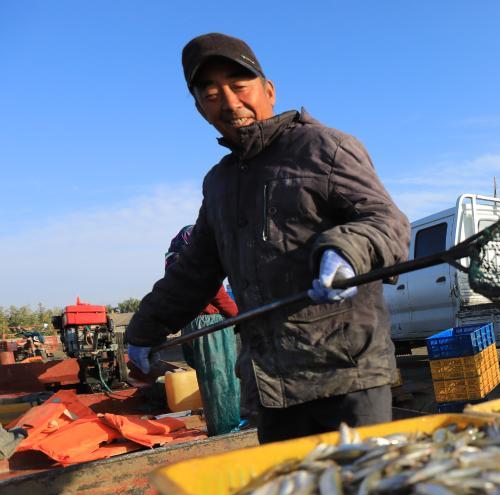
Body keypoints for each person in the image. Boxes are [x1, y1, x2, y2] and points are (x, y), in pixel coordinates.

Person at [125, 33, 410, 443]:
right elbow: (195, 270)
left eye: (239, 87)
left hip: (347, 373)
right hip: (272, 386)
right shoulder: (220, 182)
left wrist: (345, 252)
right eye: (210, 94)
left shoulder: (325, 147)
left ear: (269, 90)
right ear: (199, 108)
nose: (229, 102)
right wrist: (143, 331)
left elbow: (386, 221)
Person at [165, 225, 242, 436]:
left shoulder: (173, 260)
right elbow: (217, 293)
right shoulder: (194, 260)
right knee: (221, 377)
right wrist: (240, 316)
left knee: (209, 378)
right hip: (209, 323)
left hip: (190, 323)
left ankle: (220, 424)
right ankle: (227, 429)